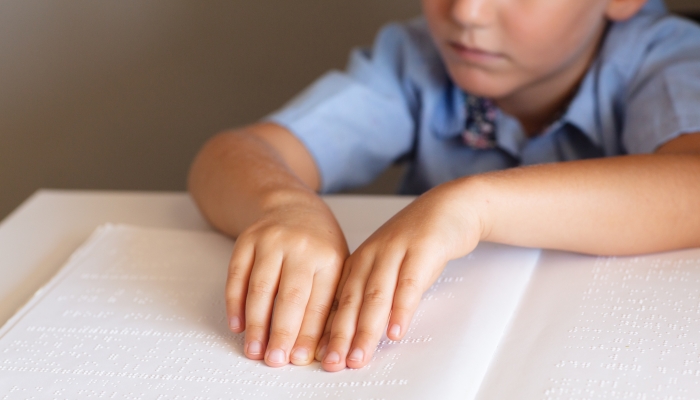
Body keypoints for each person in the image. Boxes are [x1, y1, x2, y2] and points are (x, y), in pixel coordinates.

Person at [188, 0, 700, 372]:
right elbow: (227, 157)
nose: (468, 12)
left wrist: (474, 206)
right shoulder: (415, 60)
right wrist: (282, 206)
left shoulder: (666, 56)